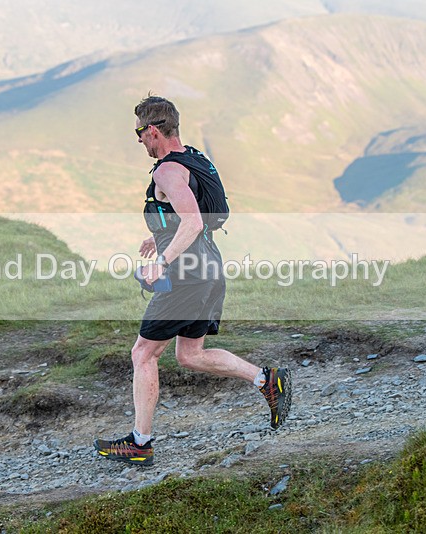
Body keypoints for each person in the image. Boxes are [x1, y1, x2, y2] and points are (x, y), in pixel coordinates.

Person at [93, 95, 291, 466]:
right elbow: (193, 215)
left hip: (186, 277)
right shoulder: (195, 158)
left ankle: (140, 444)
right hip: (209, 269)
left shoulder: (166, 171)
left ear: (153, 130)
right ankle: (267, 380)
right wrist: (161, 235)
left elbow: (195, 220)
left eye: (139, 133)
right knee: (190, 354)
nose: (139, 141)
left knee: (143, 353)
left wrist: (162, 261)